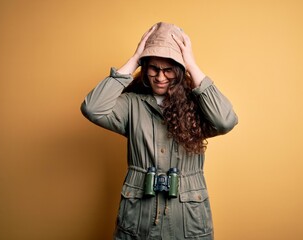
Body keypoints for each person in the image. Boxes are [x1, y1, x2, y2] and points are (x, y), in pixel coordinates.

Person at [81, 22, 238, 240]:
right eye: (154, 68)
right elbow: (92, 108)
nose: (160, 77)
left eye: (169, 70)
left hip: (187, 219)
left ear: (180, 71)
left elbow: (226, 120)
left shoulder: (197, 105)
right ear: (144, 68)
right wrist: (136, 57)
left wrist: (191, 64)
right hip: (139, 218)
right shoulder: (131, 105)